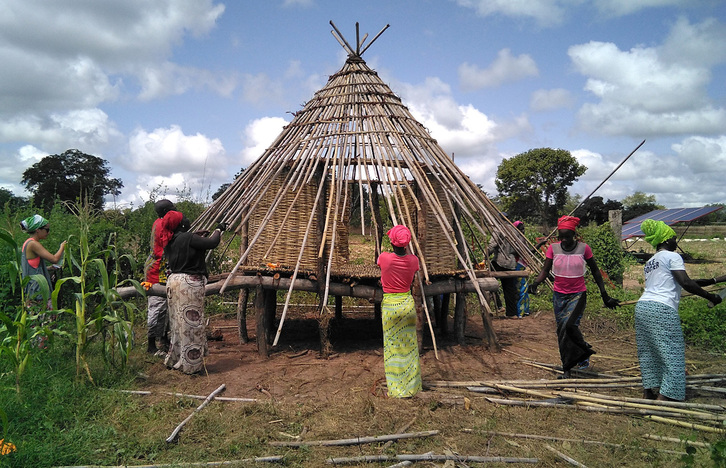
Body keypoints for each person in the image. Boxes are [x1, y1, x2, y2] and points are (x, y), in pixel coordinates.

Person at [635, 219, 722, 401]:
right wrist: (711, 297)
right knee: (672, 352)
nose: (676, 241)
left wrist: (716, 280)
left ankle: (649, 393)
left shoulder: (651, 262)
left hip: (643, 308)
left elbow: (684, 281)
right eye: (674, 238)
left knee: (649, 352)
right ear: (666, 240)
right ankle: (666, 398)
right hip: (661, 310)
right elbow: (686, 283)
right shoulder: (672, 256)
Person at [530, 215, 619, 378]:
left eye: (567, 236)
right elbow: (545, 270)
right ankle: (569, 366)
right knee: (562, 330)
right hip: (559, 294)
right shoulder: (553, 248)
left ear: (574, 235)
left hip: (578, 294)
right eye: (560, 236)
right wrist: (535, 283)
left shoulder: (584, 248)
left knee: (569, 325)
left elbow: (595, 271)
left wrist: (604, 294)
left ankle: (580, 354)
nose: (563, 240)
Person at [162, 211, 224, 374]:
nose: (187, 219)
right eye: (184, 218)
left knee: (177, 324)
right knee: (191, 324)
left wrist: (196, 236)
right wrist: (219, 229)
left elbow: (189, 246)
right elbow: (212, 243)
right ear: (181, 224)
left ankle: (175, 359)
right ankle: (192, 366)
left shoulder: (171, 240)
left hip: (174, 282)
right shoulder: (188, 238)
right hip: (188, 285)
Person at [376, 225, 422, 398]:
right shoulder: (414, 261)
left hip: (390, 306)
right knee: (410, 348)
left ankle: (396, 390)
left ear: (392, 242)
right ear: (407, 243)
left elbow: (380, 265)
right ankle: (412, 388)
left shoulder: (384, 258)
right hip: (407, 305)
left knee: (392, 349)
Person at [142, 199, 176, 356]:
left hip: (161, 269)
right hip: (157, 271)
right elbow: (169, 244)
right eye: (171, 209)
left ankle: (163, 339)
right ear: (165, 212)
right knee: (157, 307)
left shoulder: (160, 222)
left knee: (167, 307)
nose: (174, 211)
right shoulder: (163, 225)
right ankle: (151, 344)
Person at [20, 214, 66, 308]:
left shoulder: (27, 243)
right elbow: (54, 259)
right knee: (45, 319)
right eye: (47, 230)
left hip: (32, 289)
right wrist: (62, 247)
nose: (48, 233)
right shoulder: (33, 244)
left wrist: (49, 268)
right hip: (39, 290)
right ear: (38, 230)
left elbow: (32, 267)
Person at [488, 228, 519, 318]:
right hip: (511, 262)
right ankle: (512, 313)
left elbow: (493, 244)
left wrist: (486, 253)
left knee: (487, 282)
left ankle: (497, 306)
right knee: (509, 288)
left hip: (500, 261)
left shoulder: (499, 229)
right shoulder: (515, 231)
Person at [512, 221, 530, 318]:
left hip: (522, 266)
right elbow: (526, 252)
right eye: (521, 229)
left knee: (524, 289)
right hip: (518, 266)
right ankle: (520, 311)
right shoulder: (517, 240)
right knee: (521, 289)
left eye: (523, 229)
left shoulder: (522, 239)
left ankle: (525, 310)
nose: (523, 231)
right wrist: (539, 245)